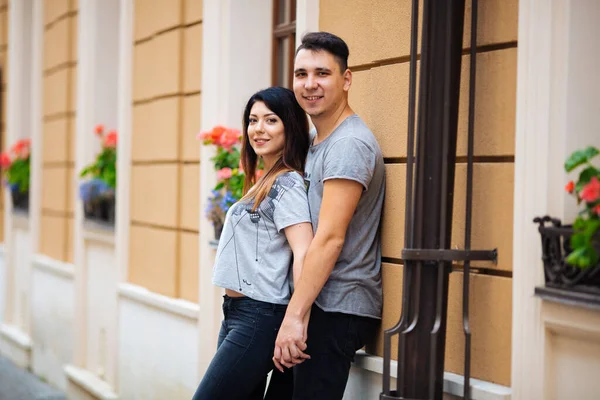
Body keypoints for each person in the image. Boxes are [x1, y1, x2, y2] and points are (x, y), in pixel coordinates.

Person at [272, 32, 386, 399]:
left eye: (322, 73)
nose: (310, 85)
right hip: (315, 302)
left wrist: (295, 316)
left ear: (346, 79)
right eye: (301, 74)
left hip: (336, 307)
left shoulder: (348, 145)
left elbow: (331, 237)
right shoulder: (317, 140)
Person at [192, 87, 312, 400]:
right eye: (253, 120)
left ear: (290, 126)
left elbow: (304, 254)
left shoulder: (287, 183)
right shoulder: (266, 179)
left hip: (260, 317)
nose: (258, 129)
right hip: (238, 312)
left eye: (270, 120)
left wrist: (296, 321)